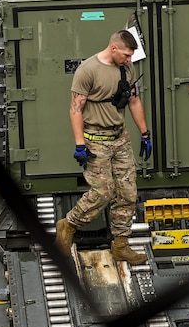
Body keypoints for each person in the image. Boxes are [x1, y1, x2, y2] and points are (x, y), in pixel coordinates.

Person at [55, 30, 152, 264]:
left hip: (120, 138)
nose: (129, 60)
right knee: (102, 193)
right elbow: (75, 108)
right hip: (95, 139)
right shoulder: (87, 71)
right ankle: (68, 224)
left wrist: (145, 133)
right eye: (126, 55)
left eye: (131, 56)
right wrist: (80, 144)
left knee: (128, 193)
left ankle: (121, 245)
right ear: (114, 48)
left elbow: (134, 101)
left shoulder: (127, 69)